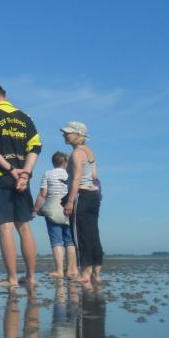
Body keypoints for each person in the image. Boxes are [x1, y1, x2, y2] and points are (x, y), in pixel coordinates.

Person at [0, 84, 42, 288]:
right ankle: (31, 278)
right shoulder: (25, 117)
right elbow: (35, 147)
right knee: (25, 227)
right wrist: (26, 174)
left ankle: (12, 278)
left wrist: (11, 169)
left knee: (6, 228)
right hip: (23, 177)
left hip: (0, 177)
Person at [61, 121, 103, 284]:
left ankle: (85, 273)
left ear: (78, 135)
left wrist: (70, 201)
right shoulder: (90, 152)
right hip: (93, 195)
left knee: (81, 235)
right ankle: (96, 273)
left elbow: (77, 178)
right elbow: (94, 177)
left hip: (82, 196)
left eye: (68, 132)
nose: (64, 135)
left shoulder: (77, 153)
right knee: (93, 234)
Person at [32, 152, 78, 279]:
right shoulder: (71, 173)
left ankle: (59, 270)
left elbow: (43, 194)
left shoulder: (48, 174)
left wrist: (35, 209)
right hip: (69, 206)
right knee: (70, 240)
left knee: (56, 240)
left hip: (52, 208)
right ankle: (71, 270)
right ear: (66, 162)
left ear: (53, 162)